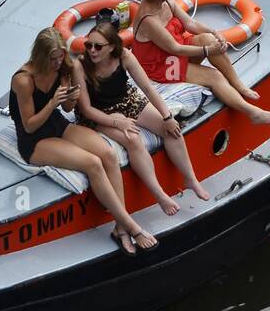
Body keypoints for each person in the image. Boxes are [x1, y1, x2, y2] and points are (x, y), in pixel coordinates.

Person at [9, 28, 157, 257]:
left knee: (107, 154)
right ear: (40, 56)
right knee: (92, 163)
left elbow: (67, 109)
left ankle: (120, 227)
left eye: (61, 57)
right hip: (34, 139)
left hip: (57, 124)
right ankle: (132, 227)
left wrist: (71, 98)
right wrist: (51, 103)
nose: (59, 62)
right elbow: (29, 125)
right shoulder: (23, 80)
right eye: (53, 59)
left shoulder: (63, 68)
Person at [72, 13, 208, 212]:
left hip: (126, 100)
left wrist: (167, 117)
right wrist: (117, 122)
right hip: (98, 112)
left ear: (111, 47)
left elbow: (147, 88)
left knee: (170, 129)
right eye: (89, 45)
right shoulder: (80, 66)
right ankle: (159, 195)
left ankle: (190, 179)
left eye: (98, 46)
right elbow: (86, 109)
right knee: (133, 139)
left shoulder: (124, 56)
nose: (92, 50)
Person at [131, 0, 270, 126]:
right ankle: (253, 113)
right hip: (160, 65)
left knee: (207, 38)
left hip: (174, 51)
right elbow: (174, 48)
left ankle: (237, 84)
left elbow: (190, 24)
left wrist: (214, 33)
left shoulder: (167, 2)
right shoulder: (149, 21)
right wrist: (208, 50)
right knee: (214, 76)